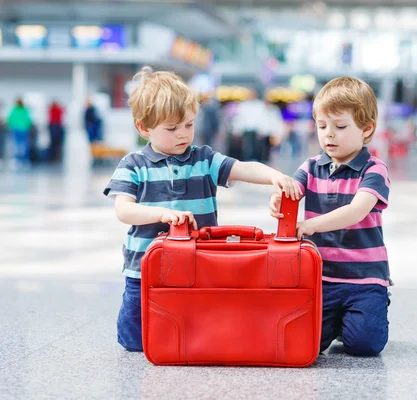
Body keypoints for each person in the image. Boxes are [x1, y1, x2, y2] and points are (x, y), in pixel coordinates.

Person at [103, 66, 301, 352]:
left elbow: (243, 168)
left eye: (189, 124)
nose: (183, 134)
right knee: (133, 341)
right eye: (172, 129)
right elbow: (123, 210)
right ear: (143, 127)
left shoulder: (204, 159)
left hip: (199, 268)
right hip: (145, 270)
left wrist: (274, 176)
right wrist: (161, 215)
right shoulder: (133, 165)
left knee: (194, 329)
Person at [269, 77, 391, 357]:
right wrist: (279, 198)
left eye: (340, 126)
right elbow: (293, 191)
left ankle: (374, 304)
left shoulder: (373, 170)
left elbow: (356, 211)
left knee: (364, 344)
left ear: (366, 128)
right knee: (308, 342)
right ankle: (339, 320)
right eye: (322, 126)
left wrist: (309, 225)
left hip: (364, 278)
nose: (329, 135)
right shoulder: (310, 166)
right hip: (321, 278)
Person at [7, 98, 33, 168]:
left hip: (16, 129)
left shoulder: (14, 110)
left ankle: (17, 160)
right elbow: (29, 120)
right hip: (24, 130)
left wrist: (11, 125)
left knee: (16, 145)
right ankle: (25, 160)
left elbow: (9, 119)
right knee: (24, 145)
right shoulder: (25, 110)